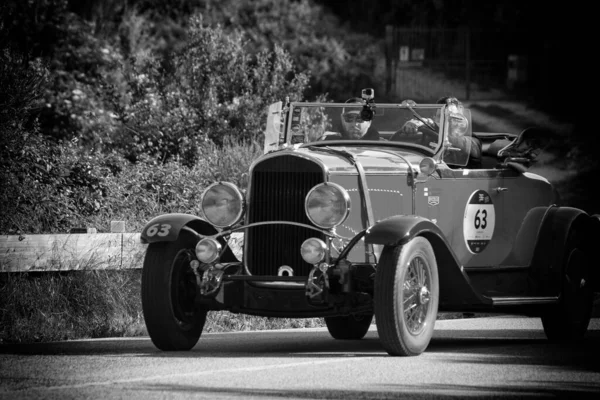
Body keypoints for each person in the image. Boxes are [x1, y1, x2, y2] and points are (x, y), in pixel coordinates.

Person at [393, 96, 482, 168]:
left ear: (462, 120)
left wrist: (429, 124)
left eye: (454, 117)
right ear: (434, 118)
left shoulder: (472, 142)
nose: (447, 121)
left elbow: (467, 147)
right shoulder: (426, 140)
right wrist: (406, 130)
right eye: (441, 117)